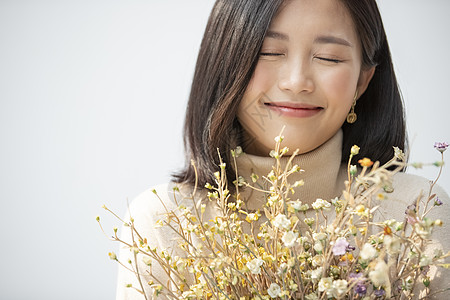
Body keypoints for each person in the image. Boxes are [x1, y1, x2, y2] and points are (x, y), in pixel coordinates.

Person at [116, 0, 450, 299]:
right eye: (269, 52)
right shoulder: (164, 223)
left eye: (329, 57)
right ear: (224, 61)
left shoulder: (414, 214)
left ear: (362, 82)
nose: (297, 81)